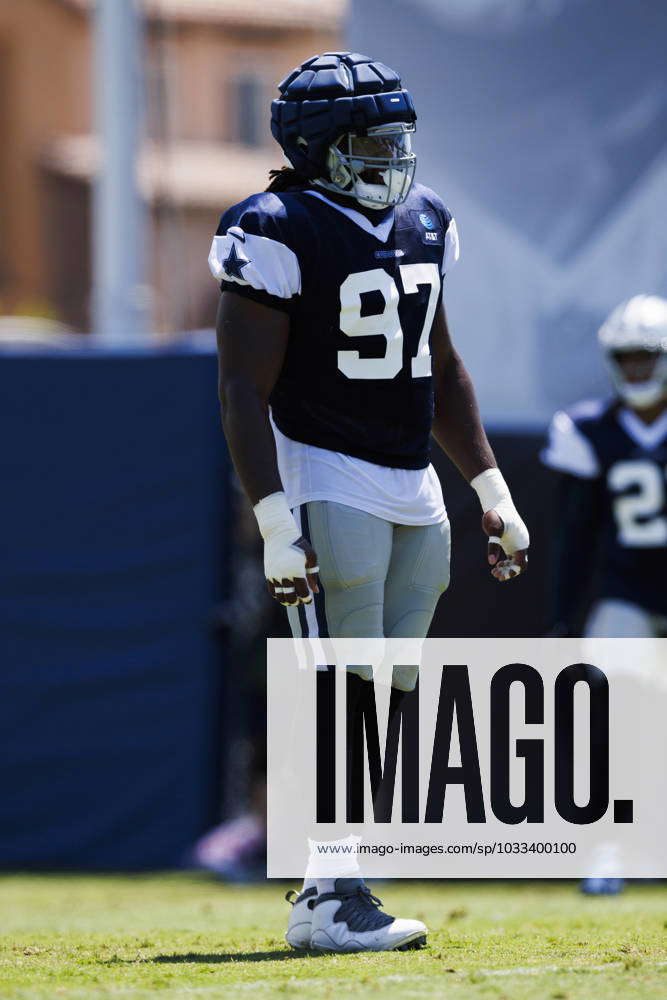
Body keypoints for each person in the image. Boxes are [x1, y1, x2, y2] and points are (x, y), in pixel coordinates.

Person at [210, 51, 529, 952]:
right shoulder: (273, 225)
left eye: (399, 135)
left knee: (384, 691)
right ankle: (329, 893)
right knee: (336, 684)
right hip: (322, 469)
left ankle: (338, 879)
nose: (393, 154)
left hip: (409, 477)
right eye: (371, 138)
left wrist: (489, 486)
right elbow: (240, 386)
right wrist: (274, 519)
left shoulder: (425, 219)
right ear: (318, 147)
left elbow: (441, 359)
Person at [541, 294, 667, 895]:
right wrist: (564, 618)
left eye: (648, 359)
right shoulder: (589, 428)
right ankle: (609, 844)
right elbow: (575, 533)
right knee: (602, 711)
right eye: (629, 359)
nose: (638, 371)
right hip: (628, 588)